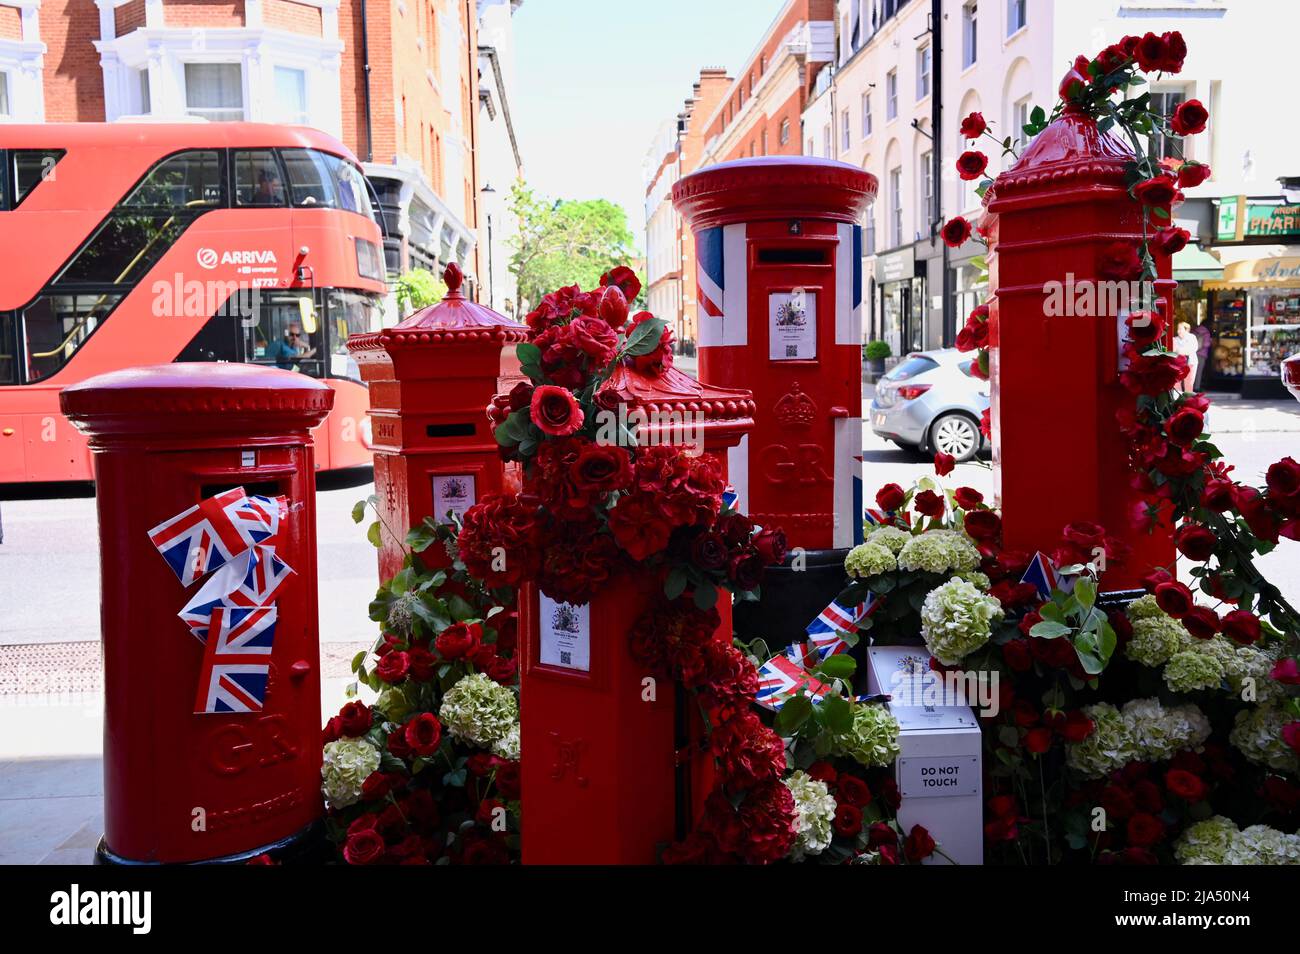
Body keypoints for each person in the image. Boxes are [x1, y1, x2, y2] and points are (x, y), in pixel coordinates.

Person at [1173, 321, 1200, 394]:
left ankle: (1188, 401)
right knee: (1176, 383)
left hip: (1191, 363)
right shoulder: (1175, 339)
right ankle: (1178, 400)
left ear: (1186, 330)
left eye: (1180, 329)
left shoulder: (1192, 337)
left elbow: (1192, 349)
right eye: (1177, 329)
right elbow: (1173, 350)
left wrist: (1179, 351)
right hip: (1178, 364)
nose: (1178, 331)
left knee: (1189, 384)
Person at [1193, 318, 1213, 391]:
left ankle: (1191, 386)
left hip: (1193, 353)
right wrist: (1210, 341)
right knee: (1199, 371)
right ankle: (1197, 387)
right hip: (1201, 354)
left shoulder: (1195, 330)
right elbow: (1206, 344)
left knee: (1193, 371)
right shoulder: (1206, 332)